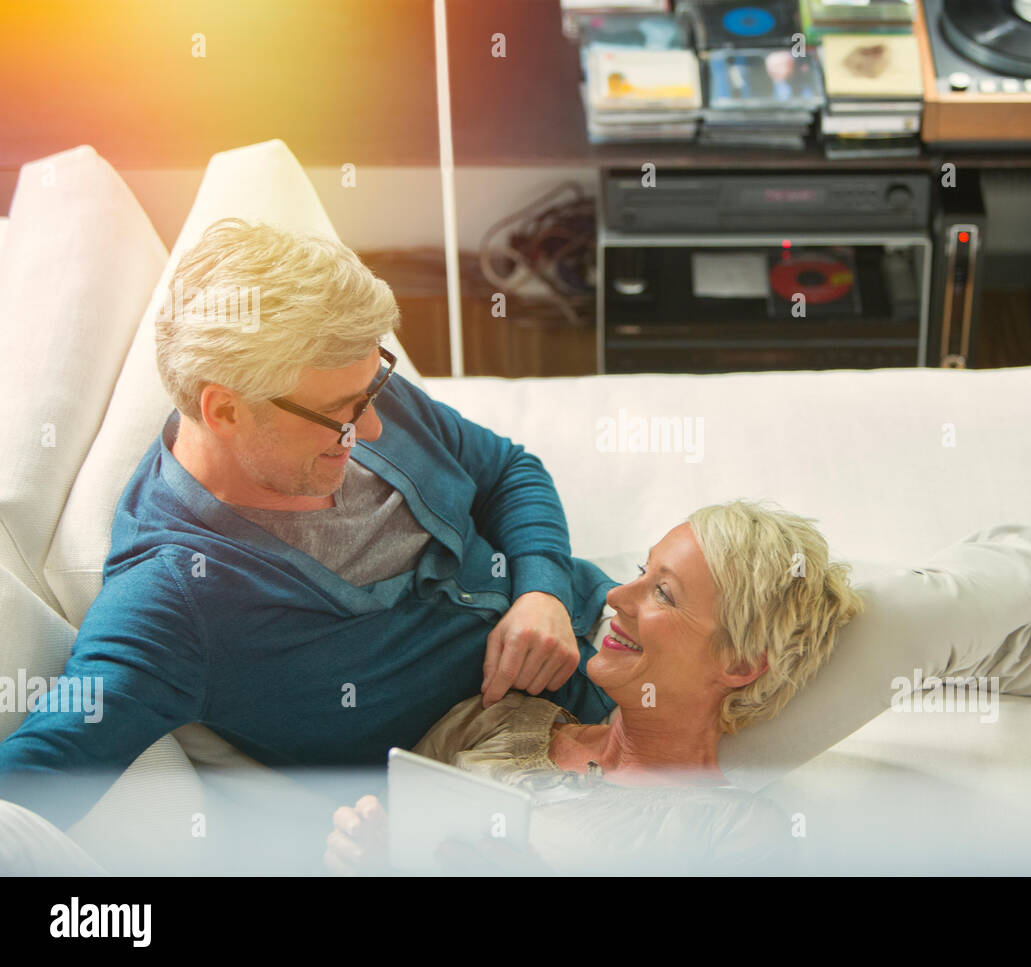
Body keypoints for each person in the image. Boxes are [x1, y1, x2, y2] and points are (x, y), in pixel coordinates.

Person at [0, 219, 620, 849]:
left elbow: (510, 470)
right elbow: (40, 774)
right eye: (342, 414)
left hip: (620, 623)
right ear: (225, 410)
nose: (374, 426)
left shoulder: (346, 388)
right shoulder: (171, 600)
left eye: (373, 387)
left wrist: (540, 588)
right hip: (553, 781)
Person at [324, 503, 1031, 875]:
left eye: (657, 589)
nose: (609, 601)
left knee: (937, 614)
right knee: (984, 640)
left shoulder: (717, 831)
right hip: (676, 693)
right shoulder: (501, 725)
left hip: (712, 681)